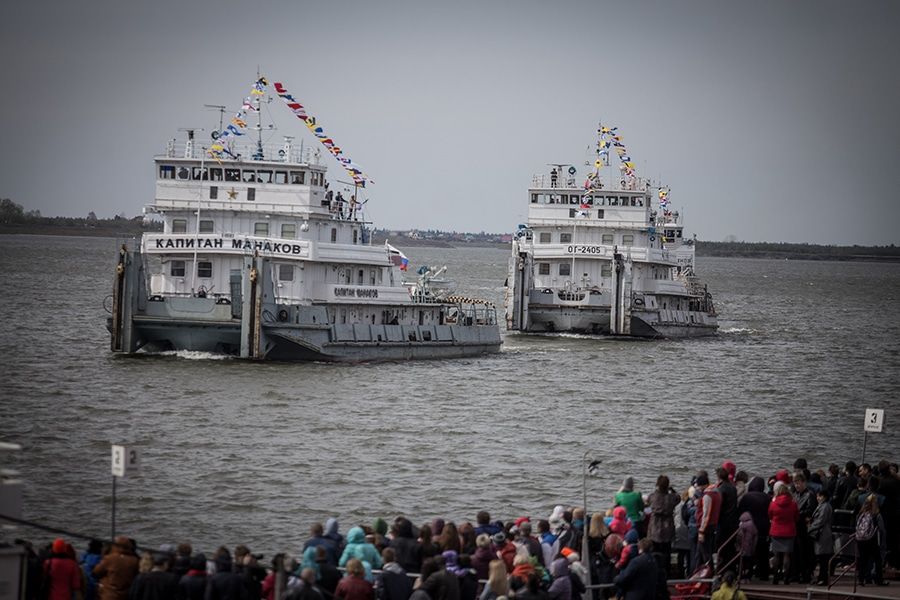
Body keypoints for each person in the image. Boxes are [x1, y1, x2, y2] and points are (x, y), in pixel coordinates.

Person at [737, 476, 771, 581]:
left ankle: (748, 572)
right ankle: (763, 573)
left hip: (750, 527)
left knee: (749, 550)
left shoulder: (747, 497)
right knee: (764, 550)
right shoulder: (767, 497)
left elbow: (741, 511)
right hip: (764, 527)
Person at [647, 474, 680, 573]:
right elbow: (678, 498)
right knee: (666, 553)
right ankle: (666, 572)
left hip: (654, 528)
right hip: (667, 528)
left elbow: (648, 501)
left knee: (654, 552)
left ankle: (654, 571)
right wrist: (672, 490)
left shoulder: (653, 496)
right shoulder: (671, 498)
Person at [768, 481, 799, 584]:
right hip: (789, 531)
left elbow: (770, 515)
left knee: (776, 554)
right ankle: (786, 577)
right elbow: (796, 517)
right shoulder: (793, 504)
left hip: (776, 531)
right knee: (787, 555)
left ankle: (776, 576)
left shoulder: (773, 503)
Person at [93, 536, 139, 600]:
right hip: (126, 595)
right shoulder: (135, 560)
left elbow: (96, 572)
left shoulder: (110, 558)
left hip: (109, 595)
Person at [855, 494, 886, 586]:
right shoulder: (876, 514)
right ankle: (878, 580)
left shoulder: (861, 514)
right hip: (872, 540)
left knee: (863, 560)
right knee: (877, 560)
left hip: (860, 539)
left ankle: (861, 579)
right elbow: (881, 529)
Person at [808, 489, 834, 585]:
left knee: (824, 558)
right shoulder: (822, 506)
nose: (818, 498)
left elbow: (821, 520)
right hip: (821, 534)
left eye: (820, 496)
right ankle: (821, 578)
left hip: (823, 535)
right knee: (822, 557)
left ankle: (823, 579)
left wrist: (810, 528)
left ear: (825, 497)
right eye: (818, 496)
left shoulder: (825, 507)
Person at [696, 474, 721, 568]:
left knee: (705, 553)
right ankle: (696, 572)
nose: (698, 488)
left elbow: (706, 515)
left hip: (705, 527)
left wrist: (701, 531)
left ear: (703, 485)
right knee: (699, 553)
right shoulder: (717, 493)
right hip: (713, 525)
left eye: (699, 485)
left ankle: (708, 573)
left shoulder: (707, 496)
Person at [736, 512, 757, 582]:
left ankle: (741, 576)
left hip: (742, 547)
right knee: (749, 563)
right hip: (750, 547)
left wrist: (738, 545)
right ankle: (748, 576)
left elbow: (739, 536)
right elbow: (755, 535)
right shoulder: (752, 525)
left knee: (742, 563)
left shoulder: (742, 525)